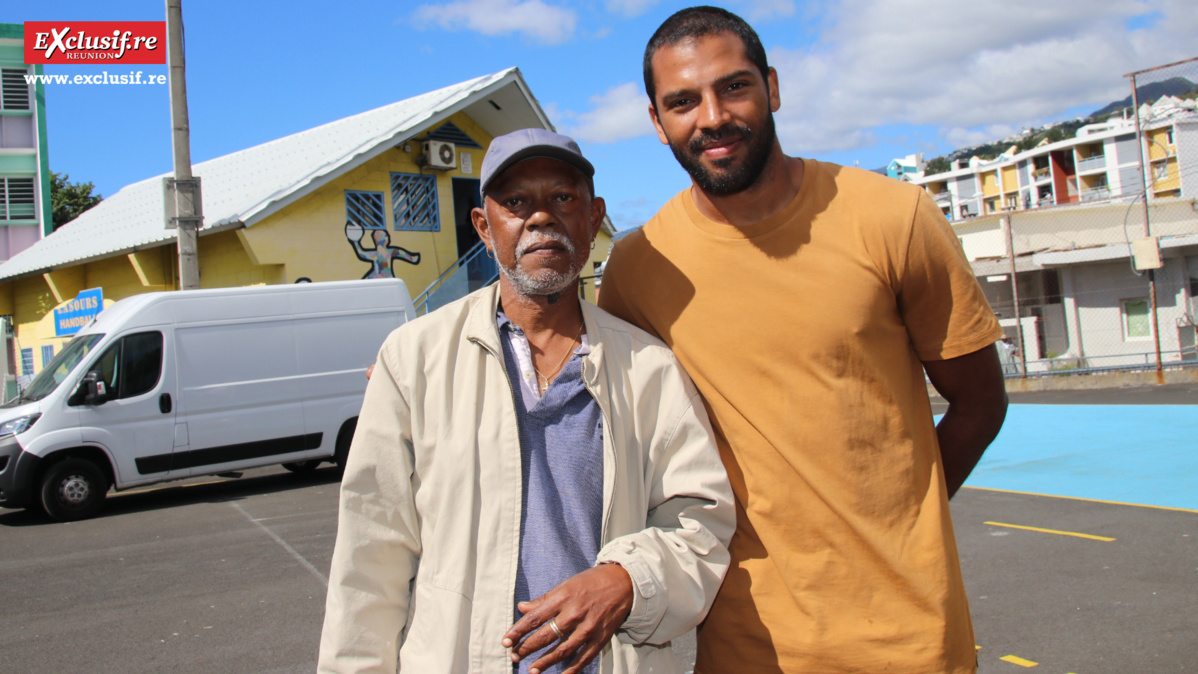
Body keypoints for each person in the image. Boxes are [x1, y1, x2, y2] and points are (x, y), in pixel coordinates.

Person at [597, 7, 1009, 673]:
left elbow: (981, 404)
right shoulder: (639, 268)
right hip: (733, 646)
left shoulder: (892, 217)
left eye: (733, 87)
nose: (711, 117)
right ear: (656, 121)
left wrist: (905, 523)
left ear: (773, 88)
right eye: (682, 101)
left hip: (904, 642)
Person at [318, 128, 735, 674]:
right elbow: (371, 554)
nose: (541, 217)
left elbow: (701, 524)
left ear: (594, 219)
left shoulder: (649, 368)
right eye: (516, 202)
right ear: (484, 228)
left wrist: (629, 579)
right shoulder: (414, 358)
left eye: (563, 198)